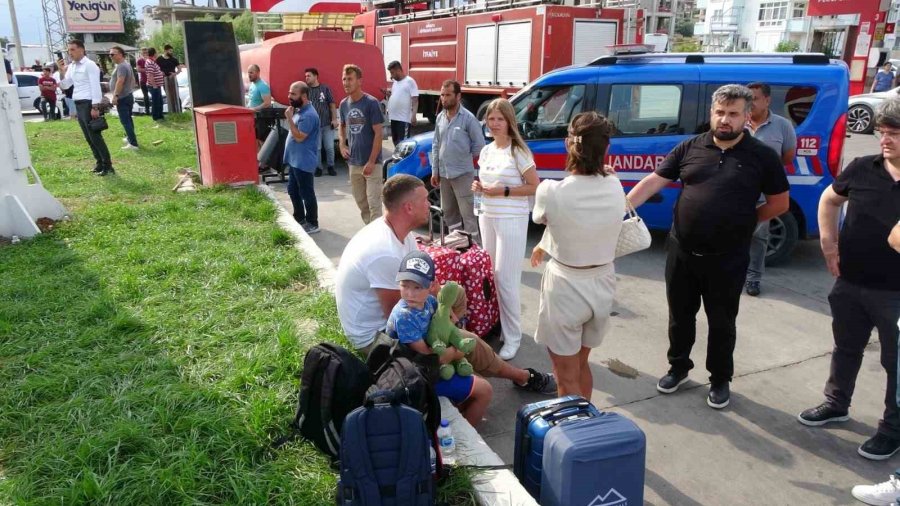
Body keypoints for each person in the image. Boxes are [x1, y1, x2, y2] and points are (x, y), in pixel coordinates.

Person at [626, 84, 789, 409]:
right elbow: (652, 182)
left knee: (722, 322)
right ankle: (678, 367)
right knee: (680, 316)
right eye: (719, 113)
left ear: (747, 117)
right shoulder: (689, 148)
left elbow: (779, 203)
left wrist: (745, 223)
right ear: (711, 113)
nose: (724, 120)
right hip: (682, 252)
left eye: (732, 114)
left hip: (728, 258)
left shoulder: (762, 157)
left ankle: (719, 379)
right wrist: (620, 209)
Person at [335, 174, 557, 393]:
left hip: (398, 315)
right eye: (424, 200)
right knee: (470, 341)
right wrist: (451, 344)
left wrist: (445, 309)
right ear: (408, 208)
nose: (429, 204)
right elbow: (400, 314)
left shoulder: (402, 234)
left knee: (456, 292)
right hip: (378, 337)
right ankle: (522, 377)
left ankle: (455, 339)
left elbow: (432, 281)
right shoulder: (384, 251)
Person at [796, 97, 900, 463]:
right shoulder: (861, 167)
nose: (885, 140)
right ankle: (836, 404)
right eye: (882, 132)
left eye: (894, 134)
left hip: (895, 293)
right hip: (851, 282)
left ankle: (892, 430)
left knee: (896, 364)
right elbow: (829, 199)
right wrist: (828, 244)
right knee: (845, 348)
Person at [530, 112, 623, 398]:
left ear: (568, 143)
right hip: (603, 282)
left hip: (566, 286)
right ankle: (587, 426)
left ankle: (571, 434)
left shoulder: (551, 191)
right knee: (582, 365)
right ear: (606, 149)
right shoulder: (615, 184)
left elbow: (542, 219)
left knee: (565, 376)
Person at [387, 250, 493, 426]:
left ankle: (459, 418)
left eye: (417, 287)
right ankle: (463, 440)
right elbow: (432, 357)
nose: (410, 294)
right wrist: (458, 351)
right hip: (417, 376)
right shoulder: (404, 316)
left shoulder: (429, 301)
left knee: (472, 374)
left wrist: (451, 323)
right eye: (405, 285)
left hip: (429, 366)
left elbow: (451, 322)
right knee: (485, 390)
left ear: (432, 285)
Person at [471, 98, 540, 360]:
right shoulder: (488, 151)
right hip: (487, 216)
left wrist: (505, 191)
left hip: (512, 218)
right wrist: (478, 189)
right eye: (491, 119)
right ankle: (500, 326)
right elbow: (483, 182)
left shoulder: (519, 151)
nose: (495, 124)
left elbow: (535, 185)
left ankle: (513, 337)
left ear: (510, 121)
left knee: (506, 280)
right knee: (490, 275)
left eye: (500, 119)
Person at [744, 81, 797, 296]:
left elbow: (787, 157)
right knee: (730, 233)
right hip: (737, 190)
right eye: (747, 99)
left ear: (767, 100)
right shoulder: (738, 123)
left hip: (765, 193)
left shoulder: (783, 125)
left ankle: (753, 277)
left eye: (754, 99)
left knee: (758, 236)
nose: (750, 104)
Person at [430, 80, 485, 242]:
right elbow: (435, 144)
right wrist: (435, 170)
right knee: (448, 214)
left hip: (463, 175)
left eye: (448, 95)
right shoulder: (440, 117)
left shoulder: (468, 119)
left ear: (458, 96)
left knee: (468, 216)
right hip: (444, 175)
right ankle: (457, 245)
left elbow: (480, 146)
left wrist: (462, 157)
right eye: (442, 95)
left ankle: (473, 251)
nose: (444, 99)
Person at [58, 39, 115, 176]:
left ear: (81, 50)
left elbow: (95, 86)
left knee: (95, 136)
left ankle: (108, 166)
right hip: (78, 103)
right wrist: (61, 71)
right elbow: (65, 85)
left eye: (72, 49)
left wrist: (95, 107)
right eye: (68, 50)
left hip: (89, 102)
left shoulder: (89, 65)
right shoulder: (72, 66)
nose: (70, 53)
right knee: (88, 137)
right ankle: (99, 163)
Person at [339, 64, 385, 224]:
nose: (346, 82)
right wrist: (342, 145)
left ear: (360, 81)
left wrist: (372, 161)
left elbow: (379, 133)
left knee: (374, 205)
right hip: (354, 163)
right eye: (344, 79)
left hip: (372, 164)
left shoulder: (371, 103)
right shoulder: (344, 104)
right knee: (362, 203)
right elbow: (342, 125)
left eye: (350, 79)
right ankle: (369, 234)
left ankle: (379, 241)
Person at [283, 81, 321, 235]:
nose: (289, 96)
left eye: (293, 94)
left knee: (306, 193)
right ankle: (299, 218)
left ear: (303, 96)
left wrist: (289, 119)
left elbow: (299, 138)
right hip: (294, 160)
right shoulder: (299, 110)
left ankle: (313, 222)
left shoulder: (309, 115)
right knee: (293, 190)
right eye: (289, 93)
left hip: (303, 162)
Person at [304, 67, 338, 177]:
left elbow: (332, 104)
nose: (306, 78)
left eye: (309, 76)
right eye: (306, 76)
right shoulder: (306, 91)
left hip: (327, 123)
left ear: (315, 76)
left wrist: (334, 119)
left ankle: (331, 167)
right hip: (314, 125)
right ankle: (318, 168)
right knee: (317, 148)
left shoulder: (325, 88)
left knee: (329, 147)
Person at [109, 46, 139, 151]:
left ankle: (133, 144)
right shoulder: (125, 64)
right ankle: (129, 138)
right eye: (110, 54)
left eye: (113, 54)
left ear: (120, 54)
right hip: (128, 95)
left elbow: (120, 81)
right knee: (128, 119)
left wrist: (115, 95)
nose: (110, 56)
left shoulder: (122, 66)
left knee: (125, 120)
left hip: (122, 97)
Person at [386, 61, 419, 145]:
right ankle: (398, 158)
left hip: (403, 119)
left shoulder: (409, 81)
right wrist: (389, 95)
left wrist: (414, 115)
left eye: (392, 73)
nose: (391, 76)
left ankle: (403, 158)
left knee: (403, 144)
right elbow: (396, 96)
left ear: (398, 70)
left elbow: (415, 99)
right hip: (394, 118)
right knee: (396, 143)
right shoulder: (395, 83)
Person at [247, 64, 273, 146]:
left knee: (262, 141)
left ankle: (263, 158)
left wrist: (254, 109)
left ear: (258, 73)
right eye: (248, 73)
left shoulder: (262, 86)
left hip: (261, 119)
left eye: (251, 72)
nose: (249, 75)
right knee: (254, 141)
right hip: (252, 118)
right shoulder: (252, 84)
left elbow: (267, 103)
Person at [157, 44, 181, 114]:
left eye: (171, 51)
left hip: (173, 79)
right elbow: (156, 69)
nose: (171, 52)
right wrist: (160, 72)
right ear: (165, 50)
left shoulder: (174, 59)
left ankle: (179, 111)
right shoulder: (159, 59)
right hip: (164, 80)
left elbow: (179, 69)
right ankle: (171, 112)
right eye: (170, 51)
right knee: (168, 95)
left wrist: (175, 74)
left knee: (175, 95)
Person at [144, 48, 165, 124]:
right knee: (156, 102)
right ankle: (156, 117)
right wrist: (154, 85)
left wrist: (160, 73)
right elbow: (150, 75)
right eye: (157, 52)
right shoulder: (149, 62)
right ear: (154, 53)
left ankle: (160, 115)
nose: (157, 53)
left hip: (157, 85)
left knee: (159, 101)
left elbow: (154, 72)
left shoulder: (153, 62)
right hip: (154, 86)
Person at [136, 48, 151, 120]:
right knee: (146, 96)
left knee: (154, 95)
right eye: (143, 52)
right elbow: (138, 69)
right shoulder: (140, 60)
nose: (145, 53)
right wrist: (147, 69)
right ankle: (147, 110)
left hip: (151, 80)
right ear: (141, 53)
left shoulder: (151, 59)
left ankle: (154, 109)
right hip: (143, 81)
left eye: (146, 52)